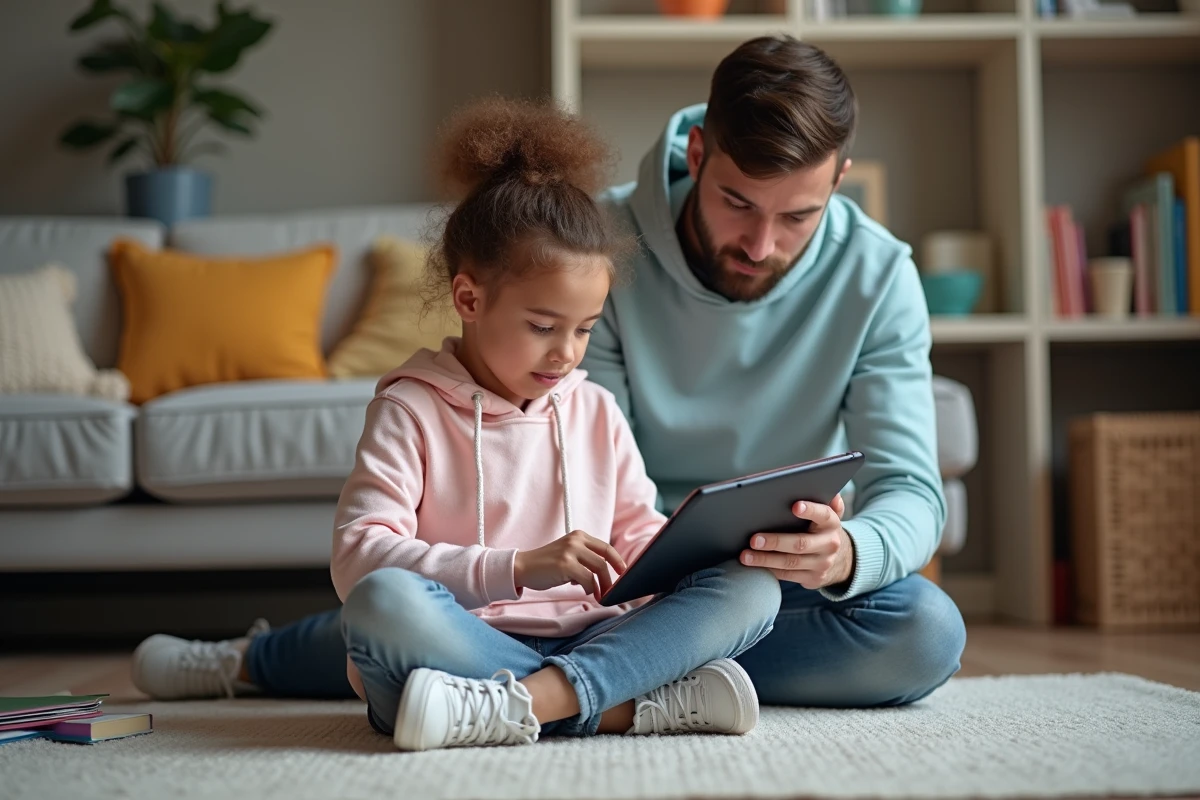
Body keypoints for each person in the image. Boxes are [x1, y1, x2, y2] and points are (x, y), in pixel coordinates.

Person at [132, 33, 965, 714]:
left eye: (799, 217)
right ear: (699, 150)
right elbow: (553, 447)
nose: (761, 244)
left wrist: (846, 552)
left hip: (687, 590)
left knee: (923, 630)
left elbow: (911, 491)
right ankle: (273, 659)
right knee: (398, 609)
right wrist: (546, 569)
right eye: (739, 204)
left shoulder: (879, 274)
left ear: (840, 182)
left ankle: (523, 699)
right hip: (576, 578)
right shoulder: (581, 248)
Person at [138, 96, 788, 750]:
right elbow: (359, 559)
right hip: (464, 637)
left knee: (751, 590)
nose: (566, 353)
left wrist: (703, 543)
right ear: (468, 298)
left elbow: (636, 529)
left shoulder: (592, 408)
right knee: (381, 604)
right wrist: (516, 566)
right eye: (542, 327)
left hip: (594, 631)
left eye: (585, 329)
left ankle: (515, 704)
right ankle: (619, 706)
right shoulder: (409, 410)